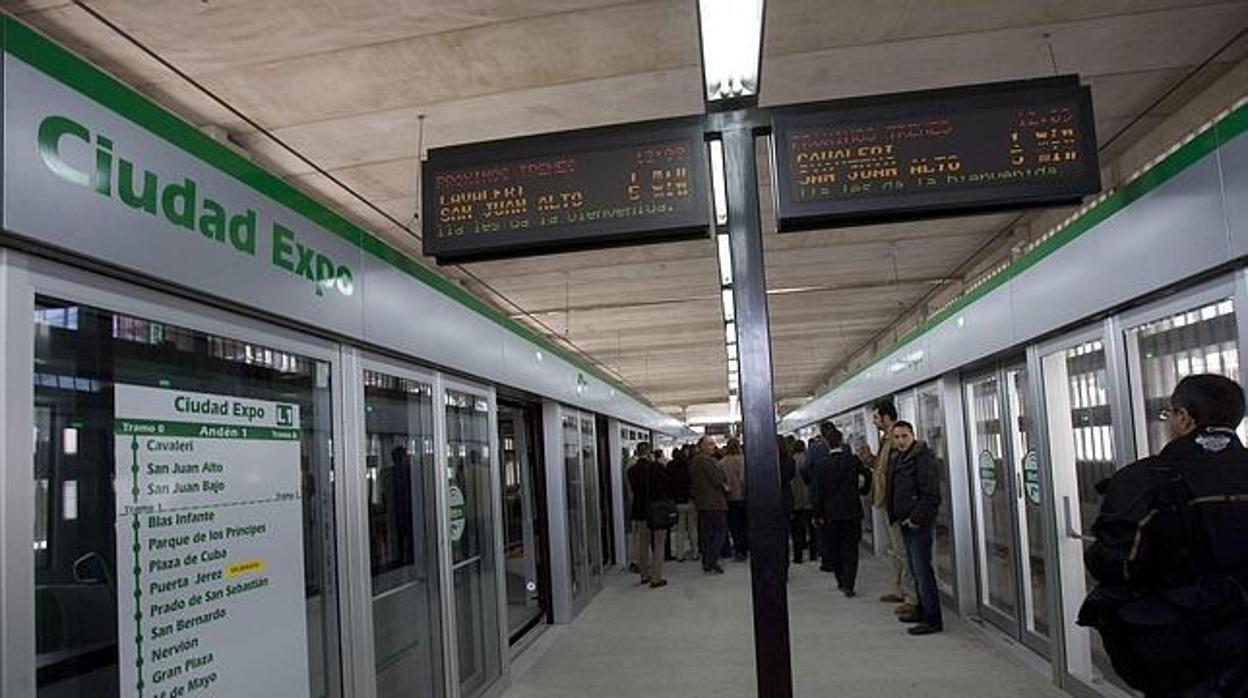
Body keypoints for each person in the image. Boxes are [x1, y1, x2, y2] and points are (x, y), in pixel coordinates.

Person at [1079, 374, 1248, 696]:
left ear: (1184, 417)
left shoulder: (1145, 478)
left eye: (1169, 414)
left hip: (1179, 646)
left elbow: (1116, 563)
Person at [859, 398, 917, 615]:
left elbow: (898, 474)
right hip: (887, 501)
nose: (874, 422)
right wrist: (869, 460)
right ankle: (900, 589)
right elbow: (883, 469)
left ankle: (911, 596)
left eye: (876, 417)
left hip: (896, 504)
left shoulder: (894, 440)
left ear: (885, 416)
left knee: (902, 551)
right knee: (896, 550)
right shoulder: (885, 441)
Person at [888, 421, 943, 635]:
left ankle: (933, 619)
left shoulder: (922, 458)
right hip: (905, 522)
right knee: (915, 569)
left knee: (923, 571)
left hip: (917, 525)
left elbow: (931, 495)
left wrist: (916, 518)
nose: (901, 441)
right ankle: (921, 609)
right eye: (897, 437)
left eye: (904, 436)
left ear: (912, 436)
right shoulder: (900, 457)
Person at [810, 423, 873, 596]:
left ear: (826, 443)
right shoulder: (852, 460)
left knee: (835, 547)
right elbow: (867, 475)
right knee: (851, 548)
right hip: (852, 511)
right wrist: (863, 490)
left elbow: (818, 493)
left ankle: (840, 579)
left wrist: (817, 514)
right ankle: (849, 583)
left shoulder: (821, 466)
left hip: (831, 514)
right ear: (842, 441)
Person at [626, 443, 670, 588]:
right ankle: (656, 578)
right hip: (656, 510)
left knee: (642, 544)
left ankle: (644, 575)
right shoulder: (656, 468)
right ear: (650, 453)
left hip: (639, 511)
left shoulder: (631, 470)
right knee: (658, 544)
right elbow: (665, 486)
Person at [690, 436, 729, 574]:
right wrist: (724, 485)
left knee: (706, 534)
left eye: (713, 444)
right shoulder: (706, 461)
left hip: (702, 503)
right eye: (709, 444)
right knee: (720, 531)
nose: (713, 447)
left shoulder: (695, 461)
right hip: (714, 503)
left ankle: (707, 561)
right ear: (701, 446)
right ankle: (711, 560)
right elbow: (717, 479)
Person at [667, 444, 698, 562]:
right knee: (692, 528)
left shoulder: (670, 466)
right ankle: (695, 552)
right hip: (690, 501)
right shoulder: (690, 466)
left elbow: (669, 484)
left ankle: (680, 555)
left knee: (679, 530)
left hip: (678, 502)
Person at [720, 438, 748, 561]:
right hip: (744, 496)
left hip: (730, 498)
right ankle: (745, 547)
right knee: (745, 523)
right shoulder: (744, 460)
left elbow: (721, 481)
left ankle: (738, 548)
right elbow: (744, 480)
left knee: (734, 525)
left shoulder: (722, 463)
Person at [790, 439, 816, 564]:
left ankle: (798, 556)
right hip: (809, 499)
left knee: (797, 530)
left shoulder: (791, 461)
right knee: (812, 529)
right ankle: (813, 554)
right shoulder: (808, 460)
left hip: (795, 500)